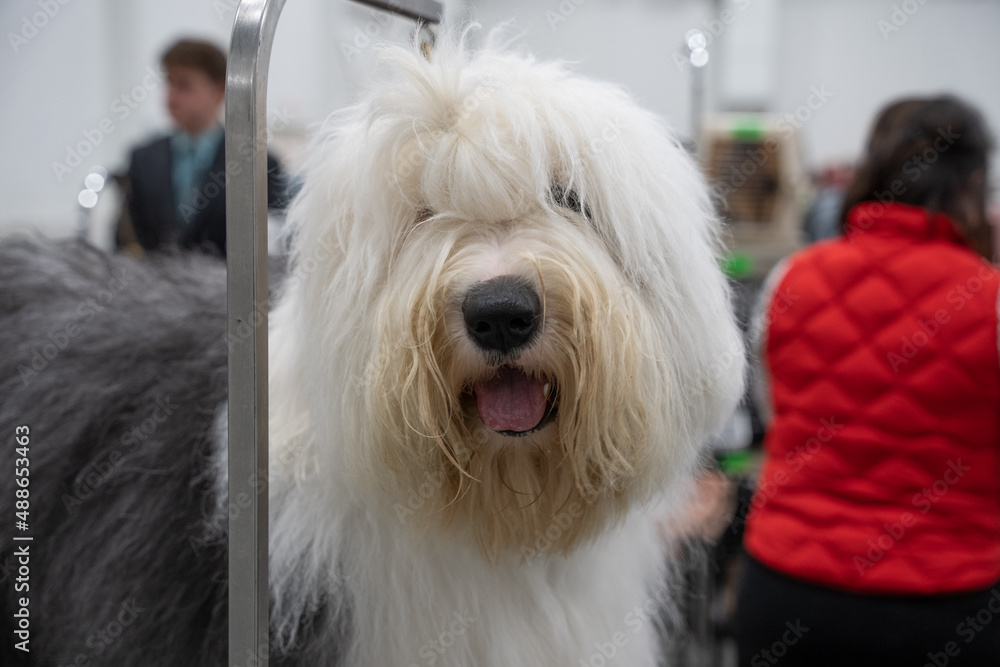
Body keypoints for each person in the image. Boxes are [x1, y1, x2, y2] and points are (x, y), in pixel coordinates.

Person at [736, 96, 1000, 666]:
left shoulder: (791, 277)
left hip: (787, 594)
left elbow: (774, 412)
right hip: (942, 606)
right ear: (975, 181)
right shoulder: (990, 300)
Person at [123, 39, 288, 257]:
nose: (171, 97)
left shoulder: (256, 163)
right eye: (168, 83)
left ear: (218, 91)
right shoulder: (143, 158)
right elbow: (125, 238)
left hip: (227, 288)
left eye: (183, 85)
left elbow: (273, 245)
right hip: (153, 286)